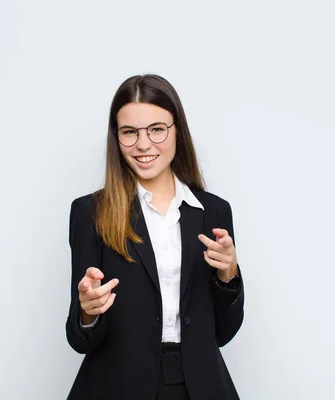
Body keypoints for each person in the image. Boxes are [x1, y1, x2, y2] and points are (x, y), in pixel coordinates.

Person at [66, 74, 244, 400]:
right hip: (118, 387)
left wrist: (228, 274)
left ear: (177, 131)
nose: (144, 144)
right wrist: (88, 311)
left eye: (157, 129)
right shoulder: (90, 212)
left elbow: (225, 332)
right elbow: (80, 340)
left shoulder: (215, 211)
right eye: (130, 132)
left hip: (200, 386)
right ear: (116, 138)